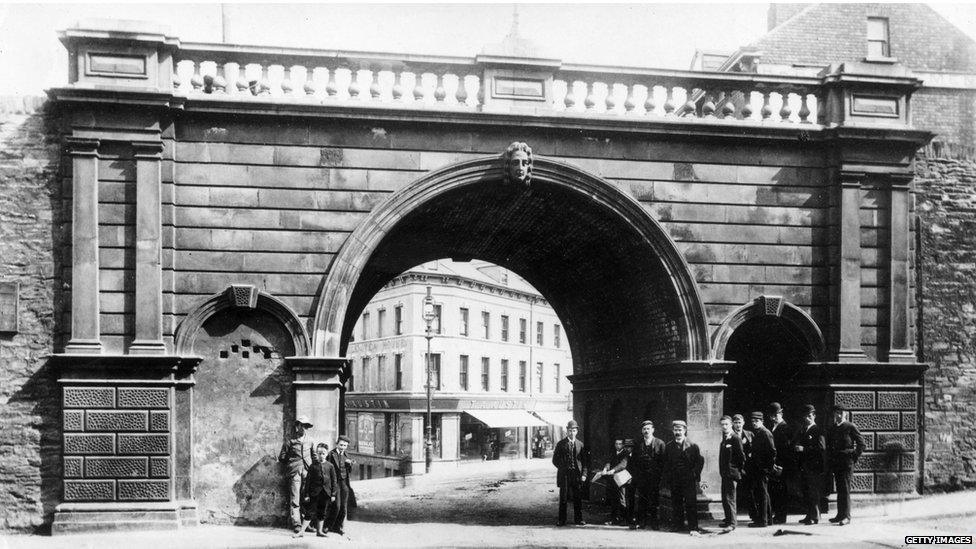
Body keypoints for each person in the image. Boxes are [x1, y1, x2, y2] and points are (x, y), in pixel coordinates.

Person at [662, 420, 705, 534]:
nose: (678, 432)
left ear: (685, 430)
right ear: (673, 431)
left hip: (688, 480)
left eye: (680, 430)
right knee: (676, 503)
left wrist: (695, 474)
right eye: (676, 430)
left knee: (691, 503)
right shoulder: (669, 446)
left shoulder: (693, 446)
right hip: (675, 480)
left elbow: (699, 461)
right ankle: (678, 525)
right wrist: (668, 477)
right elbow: (666, 463)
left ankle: (693, 527)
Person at [826, 404, 865, 526]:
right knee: (839, 488)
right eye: (836, 413)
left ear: (845, 414)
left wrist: (853, 457)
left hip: (847, 463)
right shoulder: (833, 428)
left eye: (841, 413)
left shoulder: (850, 427)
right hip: (836, 462)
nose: (838, 415)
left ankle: (847, 516)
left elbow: (861, 444)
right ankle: (839, 515)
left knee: (845, 489)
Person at [627, 419, 665, 530]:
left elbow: (663, 462)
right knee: (642, 500)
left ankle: (654, 523)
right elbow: (633, 462)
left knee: (654, 500)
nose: (646, 431)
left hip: (654, 478)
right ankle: (641, 522)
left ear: (653, 430)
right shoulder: (638, 444)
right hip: (641, 478)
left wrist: (660, 476)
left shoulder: (660, 443)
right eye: (644, 429)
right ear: (641, 431)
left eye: (648, 429)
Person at [278, 415, 314, 533]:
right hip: (295, 472)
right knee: (295, 498)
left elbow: (313, 456)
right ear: (297, 426)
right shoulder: (290, 441)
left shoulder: (310, 440)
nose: (303, 428)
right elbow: (282, 457)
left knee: (306, 498)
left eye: (306, 426)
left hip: (307, 472)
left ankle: (306, 523)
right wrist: (292, 464)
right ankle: (297, 524)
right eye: (302, 426)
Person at [294, 443, 337, 538]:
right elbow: (308, 482)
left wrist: (333, 494)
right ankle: (301, 532)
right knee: (309, 512)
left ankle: (319, 531)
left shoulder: (330, 466)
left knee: (322, 512)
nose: (321, 455)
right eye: (319, 453)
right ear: (316, 454)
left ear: (327, 454)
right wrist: (306, 495)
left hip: (326, 493)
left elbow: (334, 481)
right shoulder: (313, 466)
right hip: (314, 493)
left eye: (323, 453)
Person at [552, 419, 590, 526]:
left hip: (577, 475)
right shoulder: (561, 444)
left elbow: (585, 462)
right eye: (569, 430)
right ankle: (562, 520)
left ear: (577, 431)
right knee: (563, 498)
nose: (571, 433)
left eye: (573, 430)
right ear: (566, 431)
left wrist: (584, 474)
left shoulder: (580, 445)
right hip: (565, 475)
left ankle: (579, 519)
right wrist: (563, 468)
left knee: (577, 498)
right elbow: (555, 460)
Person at [793, 404, 826, 525]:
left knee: (813, 492)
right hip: (804, 466)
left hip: (814, 466)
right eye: (805, 416)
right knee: (806, 491)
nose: (807, 418)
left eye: (810, 416)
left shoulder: (818, 430)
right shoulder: (803, 430)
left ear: (814, 416)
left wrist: (804, 449)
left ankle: (815, 516)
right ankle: (809, 514)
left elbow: (821, 448)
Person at [746, 411, 775, 528]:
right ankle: (767, 519)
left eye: (757, 421)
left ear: (762, 421)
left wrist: (767, 468)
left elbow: (772, 452)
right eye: (752, 421)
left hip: (762, 469)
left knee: (762, 495)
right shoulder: (758, 433)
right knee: (763, 494)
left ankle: (763, 521)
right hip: (758, 469)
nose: (754, 423)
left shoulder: (765, 433)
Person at [718, 415, 745, 530]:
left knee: (730, 498)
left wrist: (737, 471)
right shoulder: (725, 437)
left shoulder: (735, 438)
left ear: (731, 425)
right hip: (725, 473)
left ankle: (732, 524)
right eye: (722, 425)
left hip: (732, 473)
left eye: (726, 424)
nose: (724, 427)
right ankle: (728, 520)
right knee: (725, 498)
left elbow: (741, 457)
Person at [767, 402, 793, 524]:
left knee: (781, 491)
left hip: (781, 465)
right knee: (775, 490)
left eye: (777, 414)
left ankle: (781, 516)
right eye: (773, 415)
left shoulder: (785, 428)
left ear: (781, 414)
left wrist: (782, 465)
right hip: (774, 464)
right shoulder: (773, 427)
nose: (775, 417)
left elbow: (787, 449)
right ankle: (777, 514)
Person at [595, 437, 630, 525]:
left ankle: (624, 520)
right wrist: (605, 469)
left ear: (623, 445)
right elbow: (608, 462)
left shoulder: (626, 453)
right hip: (612, 479)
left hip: (622, 479)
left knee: (622, 499)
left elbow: (623, 464)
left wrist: (613, 470)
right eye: (616, 444)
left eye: (619, 444)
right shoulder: (613, 453)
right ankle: (614, 519)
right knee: (613, 499)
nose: (618, 446)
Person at [326, 435, 353, 535]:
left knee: (343, 507)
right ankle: (328, 526)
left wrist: (349, 465)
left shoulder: (346, 455)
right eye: (341, 445)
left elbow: (349, 471)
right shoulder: (331, 454)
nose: (342, 447)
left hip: (344, 483)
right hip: (335, 482)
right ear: (337, 444)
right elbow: (327, 468)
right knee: (336, 506)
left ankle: (338, 527)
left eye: (345, 445)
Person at [731, 414, 756, 523]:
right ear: (733, 424)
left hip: (748, 468)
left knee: (750, 492)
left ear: (743, 423)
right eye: (735, 423)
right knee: (733, 492)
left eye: (739, 422)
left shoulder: (749, 434)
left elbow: (754, 449)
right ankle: (732, 517)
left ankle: (754, 515)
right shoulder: (729, 435)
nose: (738, 425)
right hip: (735, 468)